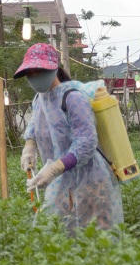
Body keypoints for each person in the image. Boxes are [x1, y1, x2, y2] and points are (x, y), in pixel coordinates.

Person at [16, 43, 123, 234]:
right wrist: (29, 147)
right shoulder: (39, 99)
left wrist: (56, 167)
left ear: (53, 69)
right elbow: (34, 126)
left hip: (90, 181)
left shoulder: (73, 97)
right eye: (29, 74)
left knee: (96, 240)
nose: (34, 78)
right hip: (61, 183)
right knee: (55, 237)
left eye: (38, 71)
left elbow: (86, 142)